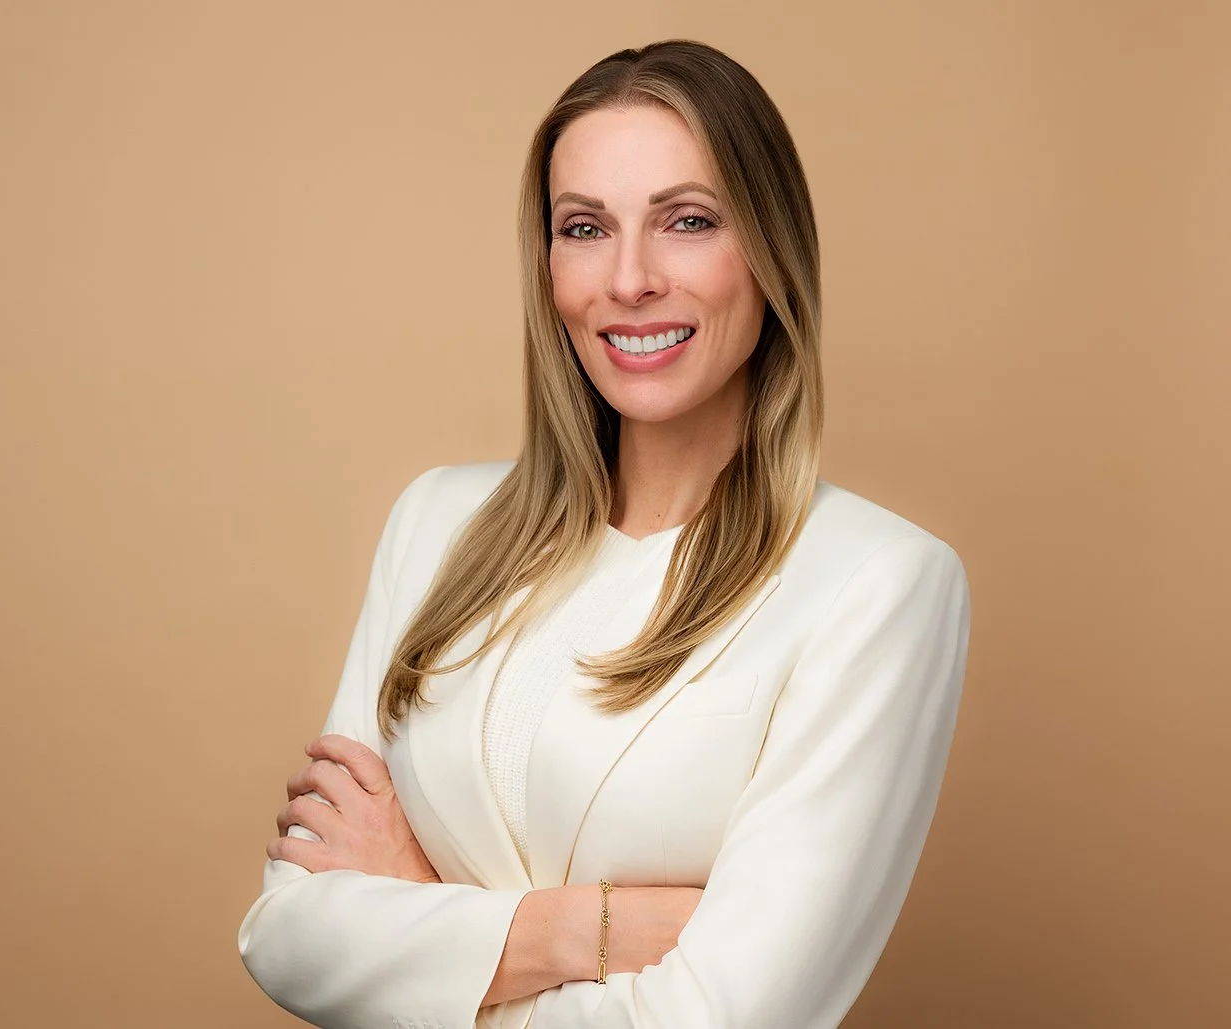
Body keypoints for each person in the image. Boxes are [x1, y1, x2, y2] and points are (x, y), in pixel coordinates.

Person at [238, 39, 971, 1029]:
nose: (629, 279)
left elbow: (720, 1020)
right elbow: (285, 932)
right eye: (584, 227)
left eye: (688, 221)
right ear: (546, 266)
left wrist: (410, 915)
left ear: (770, 249)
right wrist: (579, 932)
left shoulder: (880, 586)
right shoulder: (436, 525)